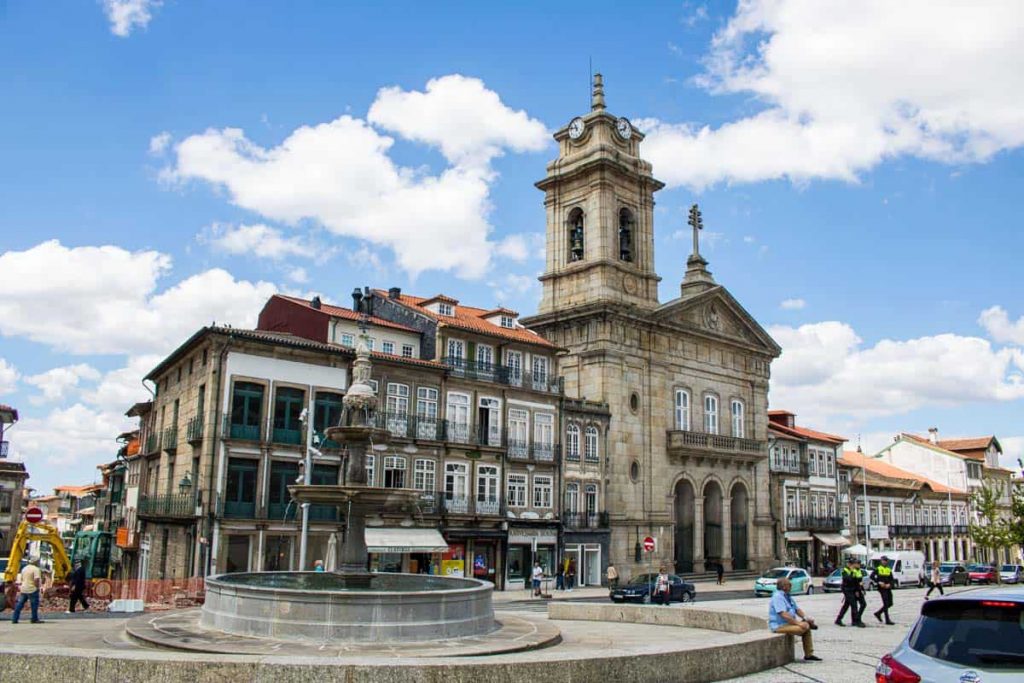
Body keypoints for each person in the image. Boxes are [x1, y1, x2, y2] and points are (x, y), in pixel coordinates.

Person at [769, 577, 821, 661]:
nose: (791, 587)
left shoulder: (787, 596)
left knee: (806, 625)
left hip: (789, 623)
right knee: (804, 627)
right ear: (784, 586)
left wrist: (805, 617)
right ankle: (808, 626)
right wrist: (798, 623)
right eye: (790, 585)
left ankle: (809, 654)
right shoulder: (778, 597)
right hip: (779, 626)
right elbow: (783, 614)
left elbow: (797, 609)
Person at [835, 557, 866, 627]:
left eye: (853, 563)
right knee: (854, 605)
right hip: (847, 589)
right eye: (851, 563)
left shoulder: (854, 571)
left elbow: (855, 581)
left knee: (846, 605)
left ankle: (839, 619)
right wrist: (852, 571)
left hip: (852, 589)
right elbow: (848, 579)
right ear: (848, 564)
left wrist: (858, 590)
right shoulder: (845, 571)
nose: (852, 565)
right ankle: (857, 621)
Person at [11, 557, 43, 625]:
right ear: (36, 562)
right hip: (32, 589)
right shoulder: (36, 569)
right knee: (34, 605)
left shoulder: (24, 568)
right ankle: (34, 619)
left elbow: (22, 578)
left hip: (24, 588)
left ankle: (14, 619)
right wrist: (37, 587)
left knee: (19, 604)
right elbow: (36, 579)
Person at [871, 555, 896, 625]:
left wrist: (890, 584)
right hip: (881, 588)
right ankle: (887, 620)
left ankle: (878, 613)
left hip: (887, 587)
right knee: (885, 603)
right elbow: (872, 576)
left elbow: (892, 579)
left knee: (890, 603)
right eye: (883, 560)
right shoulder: (878, 569)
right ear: (881, 561)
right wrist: (878, 582)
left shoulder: (888, 569)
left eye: (886, 560)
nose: (884, 562)